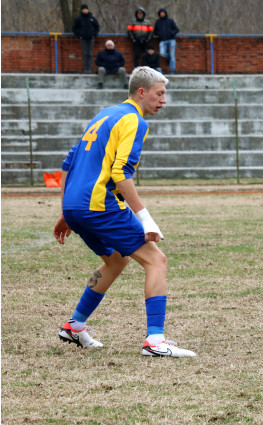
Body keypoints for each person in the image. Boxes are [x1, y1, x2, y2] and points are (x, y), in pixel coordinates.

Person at [53, 66, 197, 357]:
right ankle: (155, 341)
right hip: (99, 205)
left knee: (116, 260)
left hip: (77, 205)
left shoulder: (104, 114)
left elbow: (69, 163)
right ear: (142, 92)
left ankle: (75, 326)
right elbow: (121, 173)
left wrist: (66, 211)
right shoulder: (134, 120)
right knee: (156, 260)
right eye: (159, 94)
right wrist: (146, 218)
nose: (163, 100)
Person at [72, 4, 100, 74]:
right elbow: (74, 28)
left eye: (86, 9)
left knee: (90, 54)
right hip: (83, 39)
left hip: (91, 38)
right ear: (82, 10)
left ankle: (89, 69)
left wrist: (94, 34)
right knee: (85, 54)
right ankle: (85, 69)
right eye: (84, 9)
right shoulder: (79, 19)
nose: (85, 10)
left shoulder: (92, 18)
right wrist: (79, 35)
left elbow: (97, 26)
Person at [154, 8, 179, 74]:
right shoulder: (158, 22)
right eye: (161, 13)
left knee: (172, 55)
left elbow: (176, 30)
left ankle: (172, 70)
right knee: (162, 53)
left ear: (165, 13)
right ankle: (169, 57)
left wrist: (171, 33)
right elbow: (155, 31)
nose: (162, 14)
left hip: (171, 40)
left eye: (163, 13)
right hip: (162, 40)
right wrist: (160, 34)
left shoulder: (170, 21)